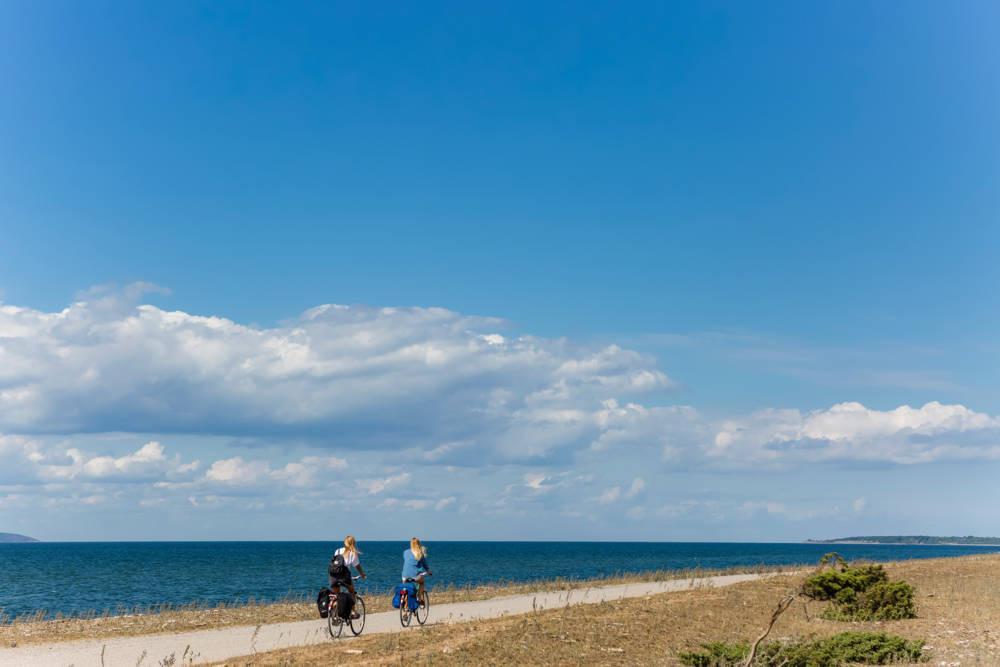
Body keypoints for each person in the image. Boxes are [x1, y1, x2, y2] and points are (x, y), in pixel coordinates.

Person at [329, 535, 366, 619]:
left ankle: (334, 611)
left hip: (333, 575)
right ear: (353, 543)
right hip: (344, 576)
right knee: (351, 591)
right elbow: (357, 566)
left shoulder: (337, 551)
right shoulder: (352, 553)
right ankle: (353, 612)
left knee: (336, 595)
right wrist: (362, 574)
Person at [401, 537, 432, 606]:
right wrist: (429, 571)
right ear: (418, 544)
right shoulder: (420, 553)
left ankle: (405, 609)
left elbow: (408, 561)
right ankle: (420, 598)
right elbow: (425, 564)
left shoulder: (405, 552)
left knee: (406, 588)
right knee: (422, 582)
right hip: (415, 576)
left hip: (404, 576)